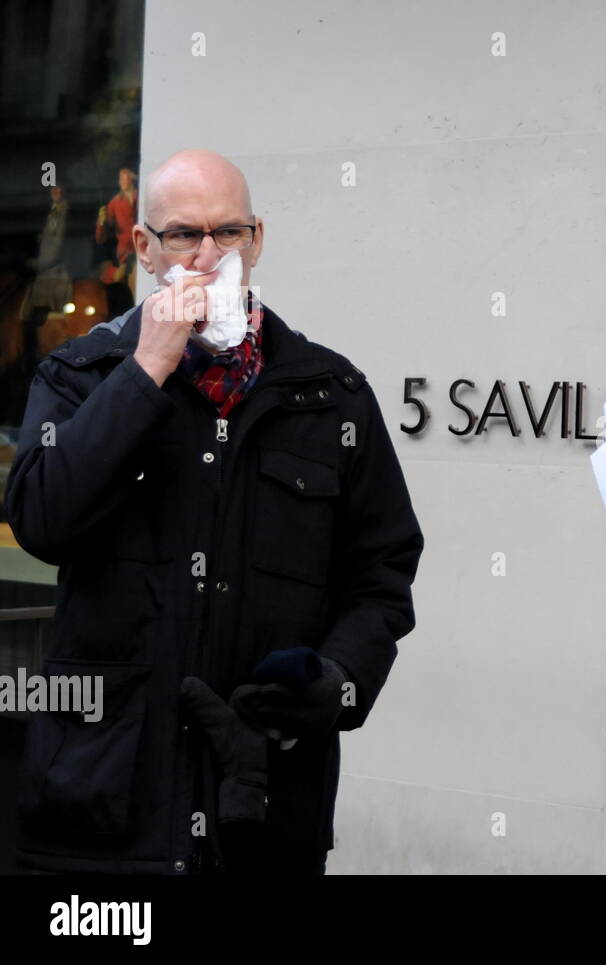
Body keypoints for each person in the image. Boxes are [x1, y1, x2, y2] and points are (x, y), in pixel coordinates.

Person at [5, 148, 424, 874]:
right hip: (102, 815)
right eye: (183, 236)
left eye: (227, 233)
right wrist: (147, 369)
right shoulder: (82, 375)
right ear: (142, 247)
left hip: (261, 812)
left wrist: (333, 682)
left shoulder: (331, 395)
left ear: (257, 239)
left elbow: (381, 576)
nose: (208, 255)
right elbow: (42, 520)